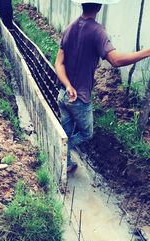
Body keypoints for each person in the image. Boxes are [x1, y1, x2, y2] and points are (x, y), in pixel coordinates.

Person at [55, 0, 150, 173]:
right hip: (80, 99)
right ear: (99, 7)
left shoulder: (69, 28)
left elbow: (58, 63)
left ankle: (64, 161)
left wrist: (68, 85)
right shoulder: (98, 31)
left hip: (64, 94)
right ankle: (62, 149)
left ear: (82, 5)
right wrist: (147, 51)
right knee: (86, 134)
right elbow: (116, 60)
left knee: (66, 131)